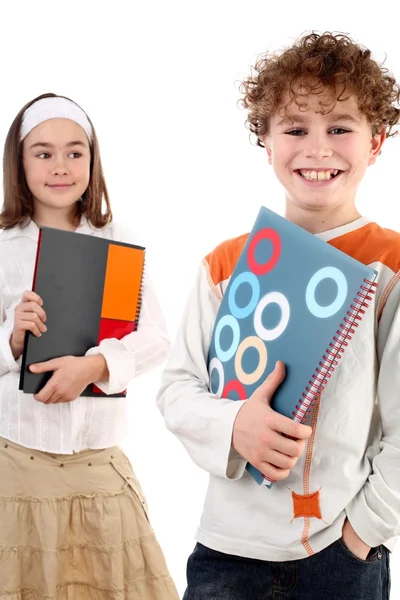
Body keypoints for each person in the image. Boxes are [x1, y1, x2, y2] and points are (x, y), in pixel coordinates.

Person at [157, 32, 400, 599]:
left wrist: (362, 534)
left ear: (377, 141)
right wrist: (234, 425)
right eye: (295, 129)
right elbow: (177, 388)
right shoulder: (225, 264)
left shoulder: (392, 267)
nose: (318, 149)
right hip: (224, 554)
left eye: (340, 127)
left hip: (339, 555)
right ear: (266, 143)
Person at [0, 93, 179, 599]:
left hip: (100, 473)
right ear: (19, 162)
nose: (61, 166)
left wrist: (96, 365)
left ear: (93, 161)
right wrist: (12, 336)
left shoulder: (115, 243)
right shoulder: (3, 247)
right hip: (16, 472)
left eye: (75, 152)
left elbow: (154, 337)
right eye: (44, 152)